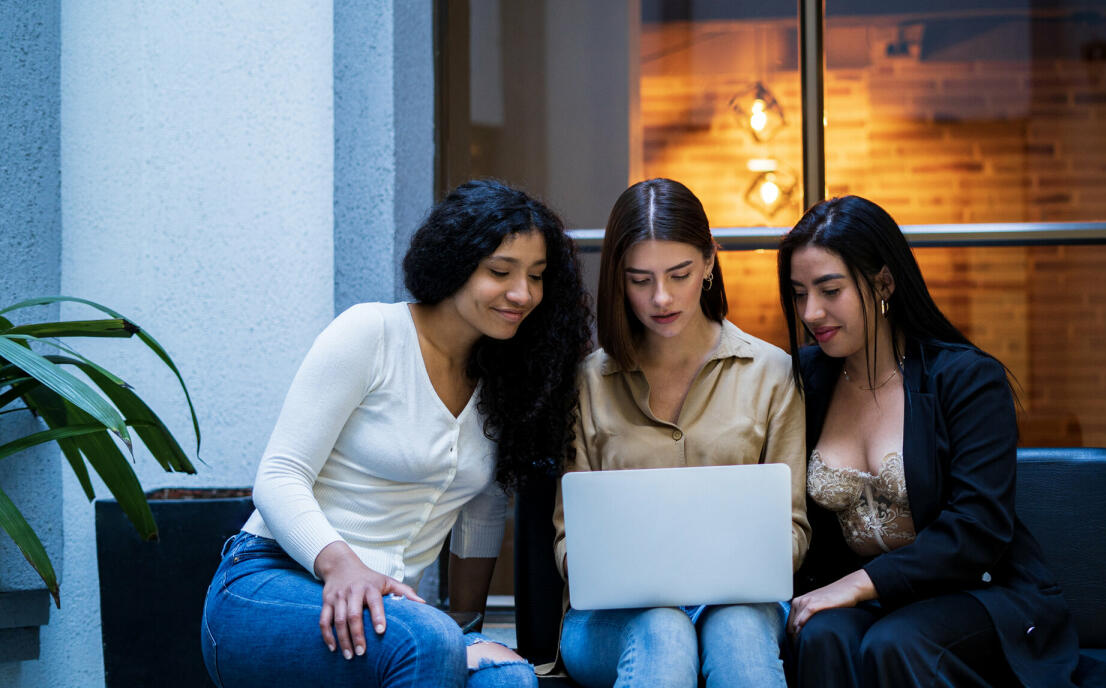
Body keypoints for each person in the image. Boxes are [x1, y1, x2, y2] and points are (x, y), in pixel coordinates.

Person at [200, 180, 592, 688]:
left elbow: (479, 513)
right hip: (269, 583)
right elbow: (278, 475)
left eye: (537, 277)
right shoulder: (370, 334)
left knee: (508, 676)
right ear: (454, 262)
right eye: (500, 272)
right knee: (424, 641)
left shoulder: (507, 380)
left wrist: (465, 630)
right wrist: (342, 566)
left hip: (391, 609)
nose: (522, 294)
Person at [779, 195, 1106, 687]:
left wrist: (859, 584)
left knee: (895, 641)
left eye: (830, 290)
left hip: (978, 592)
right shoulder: (806, 379)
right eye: (798, 294)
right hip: (869, 598)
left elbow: (978, 527)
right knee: (821, 634)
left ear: (884, 282)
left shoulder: (965, 377)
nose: (812, 311)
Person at [550, 178, 810, 688]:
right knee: (664, 631)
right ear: (618, 280)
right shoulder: (587, 382)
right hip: (613, 619)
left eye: (679, 274)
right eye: (640, 279)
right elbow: (569, 540)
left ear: (710, 262)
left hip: (740, 606)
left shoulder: (772, 374)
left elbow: (792, 529)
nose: (661, 297)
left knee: (736, 630)